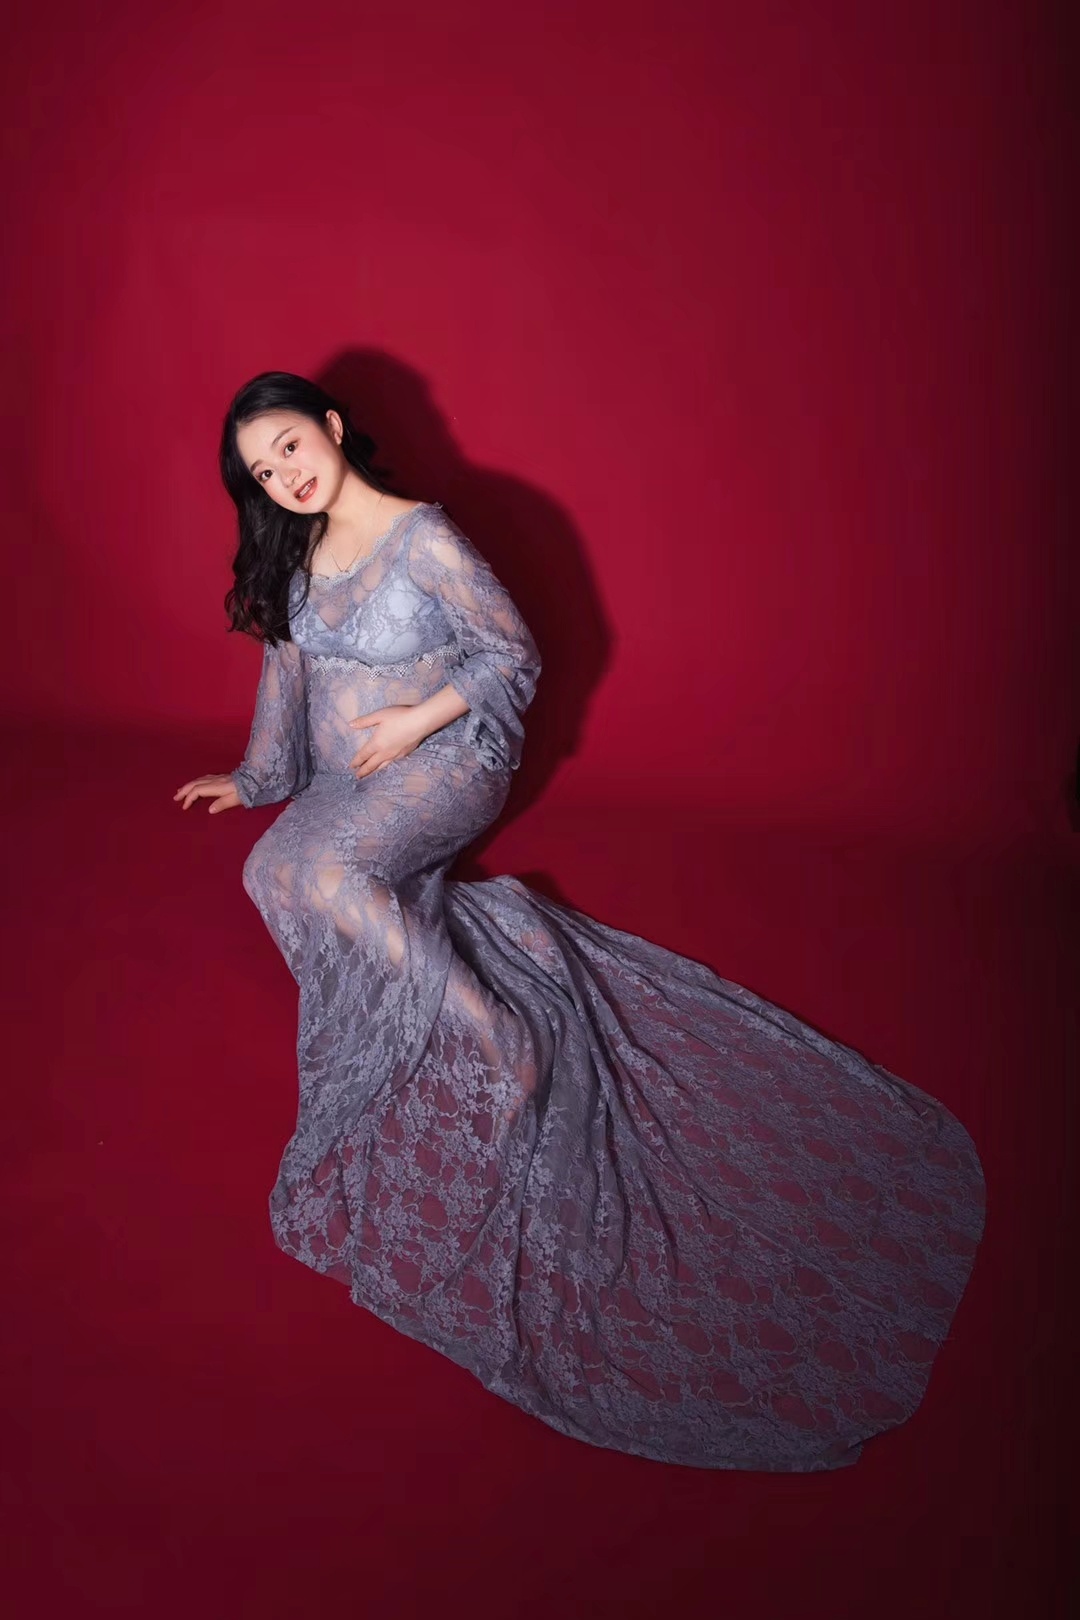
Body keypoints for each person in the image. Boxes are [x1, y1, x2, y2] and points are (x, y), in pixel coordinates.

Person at [174, 370, 985, 1472]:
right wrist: (257, 775)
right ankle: (425, 967)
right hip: (344, 779)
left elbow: (512, 653)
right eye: (262, 472)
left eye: (288, 445)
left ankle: (497, 1032)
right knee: (272, 870)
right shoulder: (299, 548)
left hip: (448, 762)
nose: (284, 475)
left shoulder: (425, 538)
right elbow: (287, 669)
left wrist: (414, 723)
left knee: (321, 879)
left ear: (330, 424)